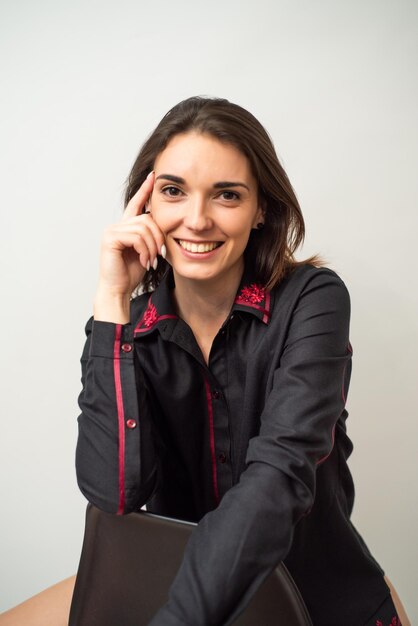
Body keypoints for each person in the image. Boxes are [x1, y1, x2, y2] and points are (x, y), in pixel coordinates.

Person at [0, 96, 410, 626]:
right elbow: (114, 491)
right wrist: (110, 301)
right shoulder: (132, 327)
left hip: (312, 602)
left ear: (261, 207)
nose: (196, 220)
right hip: (176, 587)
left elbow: (278, 478)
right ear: (147, 203)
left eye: (227, 195)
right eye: (173, 191)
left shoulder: (314, 300)